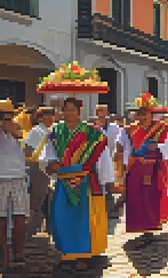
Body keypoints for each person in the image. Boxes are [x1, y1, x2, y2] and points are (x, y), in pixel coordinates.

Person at [41, 97, 114, 270]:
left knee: (83, 219)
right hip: (63, 180)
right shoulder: (55, 131)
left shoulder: (93, 133)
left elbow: (102, 158)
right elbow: (48, 154)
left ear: (79, 111)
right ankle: (67, 251)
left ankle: (83, 254)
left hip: (85, 181)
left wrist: (105, 182)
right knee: (63, 217)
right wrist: (50, 163)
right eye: (66, 109)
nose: (69, 113)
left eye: (72, 110)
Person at [125, 92, 168, 247]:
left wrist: (156, 147)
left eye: (145, 114)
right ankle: (140, 226)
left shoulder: (162, 129)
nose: (142, 117)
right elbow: (128, 148)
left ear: (152, 115)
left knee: (150, 198)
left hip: (152, 168)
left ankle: (149, 230)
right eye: (140, 114)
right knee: (136, 199)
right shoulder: (132, 130)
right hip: (136, 167)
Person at [0, 99, 29, 270]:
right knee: (1, 219)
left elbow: (22, 136)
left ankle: (18, 253)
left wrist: (10, 127)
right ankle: (4, 254)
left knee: (20, 218)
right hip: (1, 179)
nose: (8, 120)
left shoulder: (16, 128)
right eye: (4, 117)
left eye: (10, 116)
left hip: (19, 178)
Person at [23, 106, 55, 236]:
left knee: (47, 198)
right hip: (38, 168)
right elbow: (27, 150)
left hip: (47, 169)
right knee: (37, 200)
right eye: (51, 115)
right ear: (42, 118)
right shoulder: (36, 131)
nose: (53, 118)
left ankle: (46, 228)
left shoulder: (48, 130)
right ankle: (30, 230)